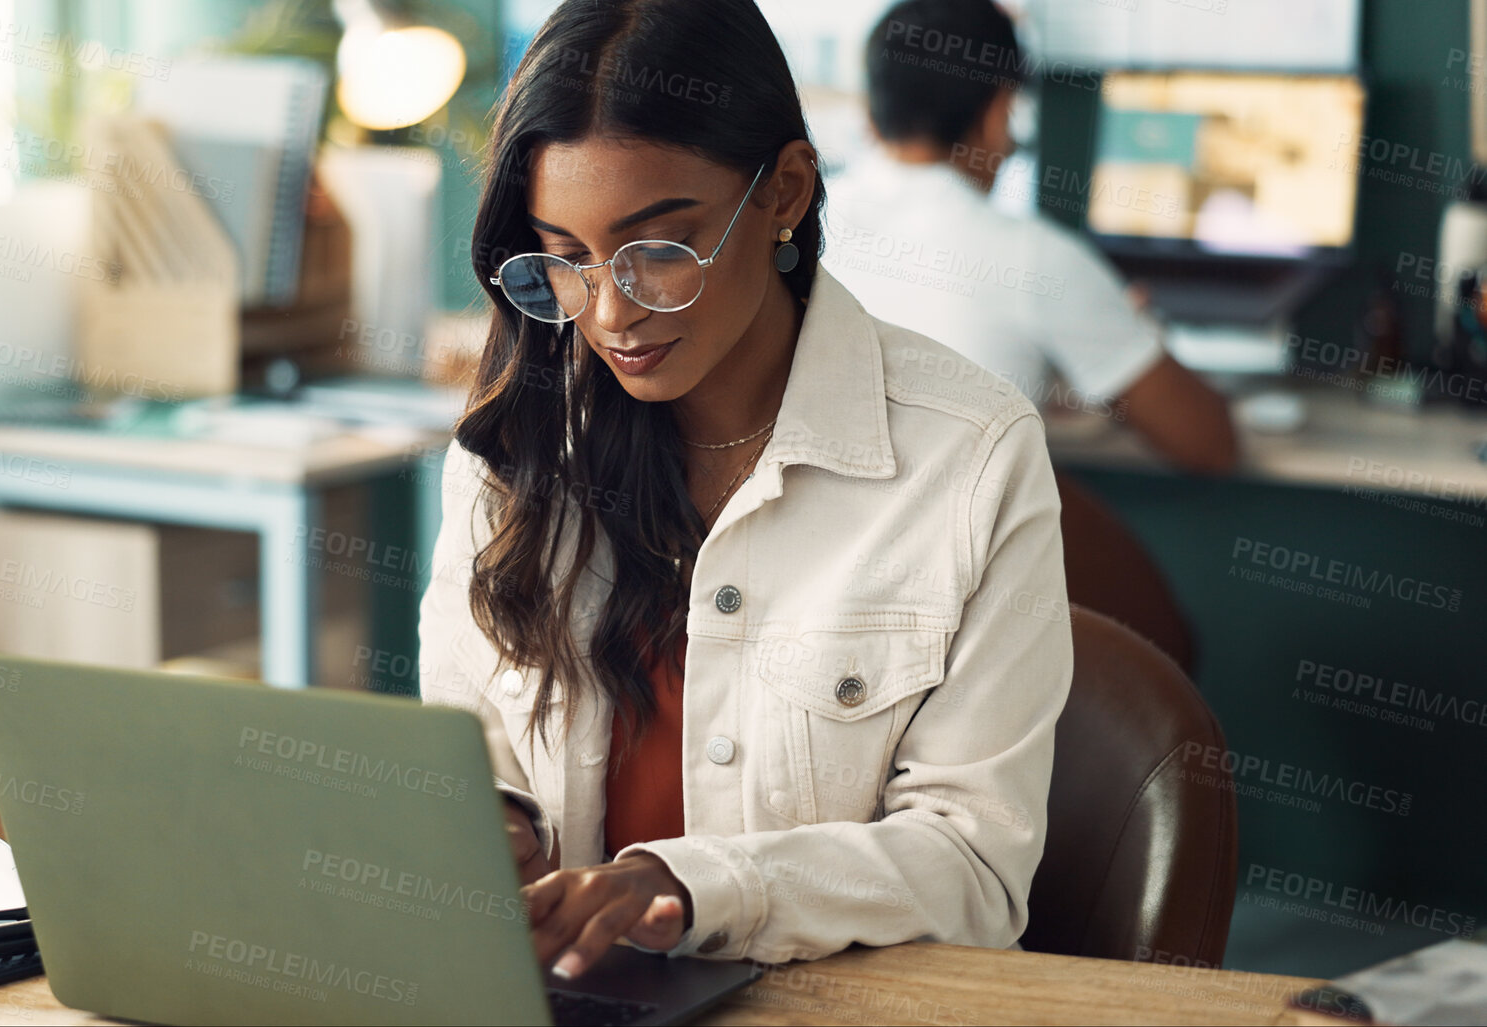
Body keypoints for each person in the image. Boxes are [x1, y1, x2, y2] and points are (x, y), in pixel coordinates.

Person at [418, 0, 1072, 975]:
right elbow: (467, 752)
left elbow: (974, 868)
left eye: (658, 251)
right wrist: (493, 824)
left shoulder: (971, 453)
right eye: (565, 257)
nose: (608, 312)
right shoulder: (514, 450)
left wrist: (691, 890)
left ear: (787, 192)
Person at [826, 0, 1239, 475]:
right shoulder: (1036, 257)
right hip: (966, 546)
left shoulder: (801, 225)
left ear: (873, 113)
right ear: (999, 113)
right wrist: (1125, 336)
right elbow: (1210, 444)